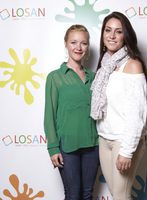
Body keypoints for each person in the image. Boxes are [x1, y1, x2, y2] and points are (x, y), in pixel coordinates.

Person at [90, 11, 147, 199]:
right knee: (117, 194)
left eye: (118, 31)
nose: (112, 36)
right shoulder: (105, 65)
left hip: (123, 140)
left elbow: (136, 113)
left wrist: (127, 151)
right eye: (108, 30)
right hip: (104, 138)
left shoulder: (132, 65)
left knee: (121, 196)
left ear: (126, 36)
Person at [44, 24, 99, 200]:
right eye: (73, 42)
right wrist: (53, 148)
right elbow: (49, 115)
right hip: (67, 147)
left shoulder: (94, 77)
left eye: (83, 43)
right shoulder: (55, 77)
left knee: (87, 194)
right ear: (66, 44)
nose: (78, 47)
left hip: (93, 145)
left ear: (87, 47)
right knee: (73, 195)